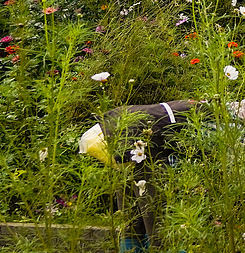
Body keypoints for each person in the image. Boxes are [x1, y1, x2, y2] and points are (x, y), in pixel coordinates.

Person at [79, 100, 198, 253]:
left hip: (104, 133)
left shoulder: (186, 106)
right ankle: (160, 246)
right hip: (135, 138)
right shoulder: (214, 118)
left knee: (131, 214)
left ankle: (131, 247)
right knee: (154, 212)